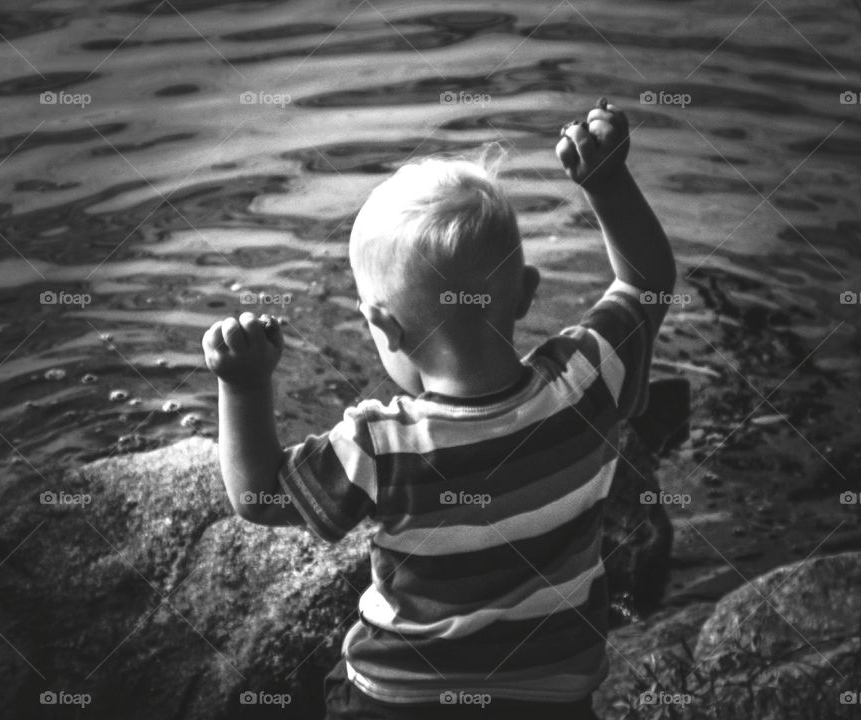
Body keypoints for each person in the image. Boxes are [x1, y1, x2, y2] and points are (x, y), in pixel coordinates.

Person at [202, 98, 676, 719]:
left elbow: (258, 496)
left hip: (401, 700)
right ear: (526, 293)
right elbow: (647, 283)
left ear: (384, 327)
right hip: (553, 698)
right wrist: (607, 182)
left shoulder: (382, 446)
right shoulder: (585, 381)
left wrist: (242, 385)